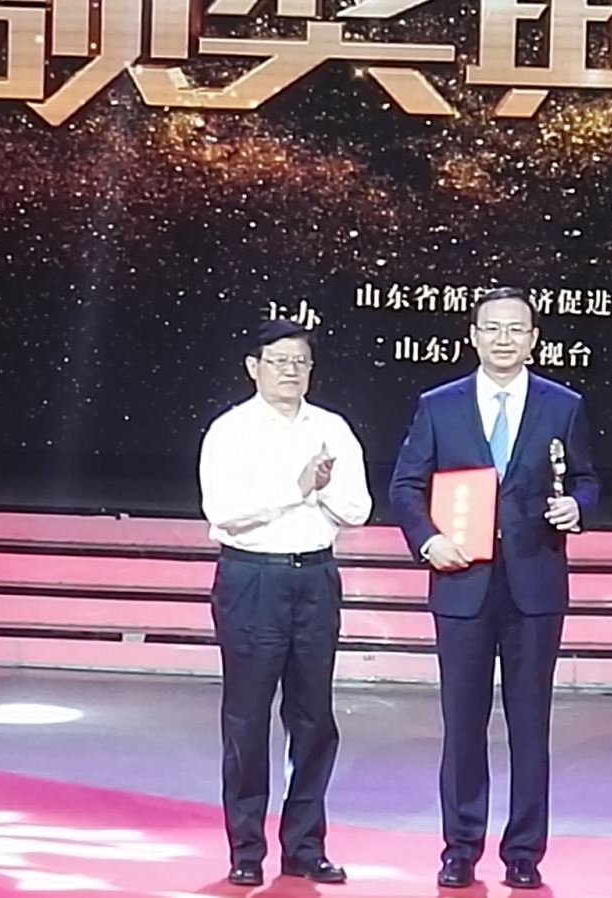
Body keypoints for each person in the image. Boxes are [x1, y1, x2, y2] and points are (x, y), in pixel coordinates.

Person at [388, 286, 600, 890]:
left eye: (516, 329)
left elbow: (586, 479)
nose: (504, 339)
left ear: (534, 339)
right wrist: (429, 540)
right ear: (474, 336)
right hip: (462, 583)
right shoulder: (439, 405)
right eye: (493, 328)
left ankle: (525, 852)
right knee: (463, 724)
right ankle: (460, 848)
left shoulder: (563, 405)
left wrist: (578, 508)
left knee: (530, 726)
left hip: (535, 585)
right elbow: (406, 486)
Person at [198, 319, 372, 887]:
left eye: (300, 362)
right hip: (253, 579)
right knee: (247, 719)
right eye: (279, 361)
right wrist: (296, 490)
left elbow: (357, 508)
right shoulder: (230, 431)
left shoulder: (332, 428)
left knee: (314, 718)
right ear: (254, 367)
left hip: (315, 578)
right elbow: (225, 511)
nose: (291, 372)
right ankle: (246, 847)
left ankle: (304, 845)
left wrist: (316, 492)